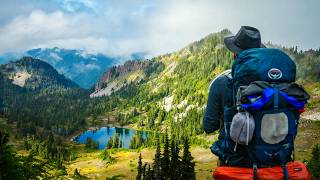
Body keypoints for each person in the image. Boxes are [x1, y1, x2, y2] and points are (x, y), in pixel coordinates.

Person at [202, 26, 266, 165]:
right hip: (269, 160)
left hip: (233, 161)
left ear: (234, 55)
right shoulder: (271, 83)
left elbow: (208, 126)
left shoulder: (222, 83)